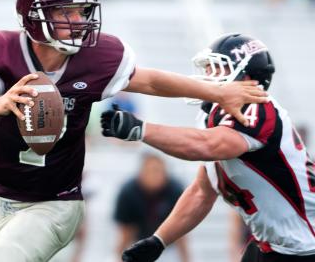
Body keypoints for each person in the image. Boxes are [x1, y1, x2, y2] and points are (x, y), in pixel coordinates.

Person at [0, 0, 267, 262]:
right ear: (34, 16)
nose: (80, 21)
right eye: (67, 12)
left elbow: (151, 81)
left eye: (82, 11)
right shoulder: (0, 54)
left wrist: (218, 92)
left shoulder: (98, 58)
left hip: (53, 202)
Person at [101, 33, 315, 262]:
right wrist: (159, 240)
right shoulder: (214, 118)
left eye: (217, 68)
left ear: (247, 77)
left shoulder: (257, 108)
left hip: (305, 247)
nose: (208, 77)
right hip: (272, 245)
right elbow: (202, 192)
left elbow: (207, 145)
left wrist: (141, 129)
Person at [114, 153, 190, 262]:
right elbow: (126, 233)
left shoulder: (175, 190)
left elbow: (181, 232)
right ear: (141, 173)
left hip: (167, 246)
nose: (154, 175)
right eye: (150, 171)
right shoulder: (128, 192)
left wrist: (186, 259)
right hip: (137, 244)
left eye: (158, 171)